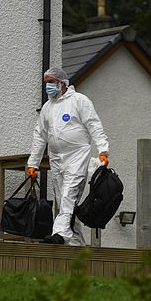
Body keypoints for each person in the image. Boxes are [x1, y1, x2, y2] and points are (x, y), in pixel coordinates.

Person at [26, 67, 110, 245]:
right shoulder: (47, 108)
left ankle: (59, 233)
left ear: (62, 83)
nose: (48, 86)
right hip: (56, 158)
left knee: (68, 194)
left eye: (51, 82)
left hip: (77, 155)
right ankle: (75, 242)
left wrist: (103, 150)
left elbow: (94, 125)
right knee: (62, 198)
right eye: (46, 83)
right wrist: (32, 164)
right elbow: (40, 136)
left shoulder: (79, 101)